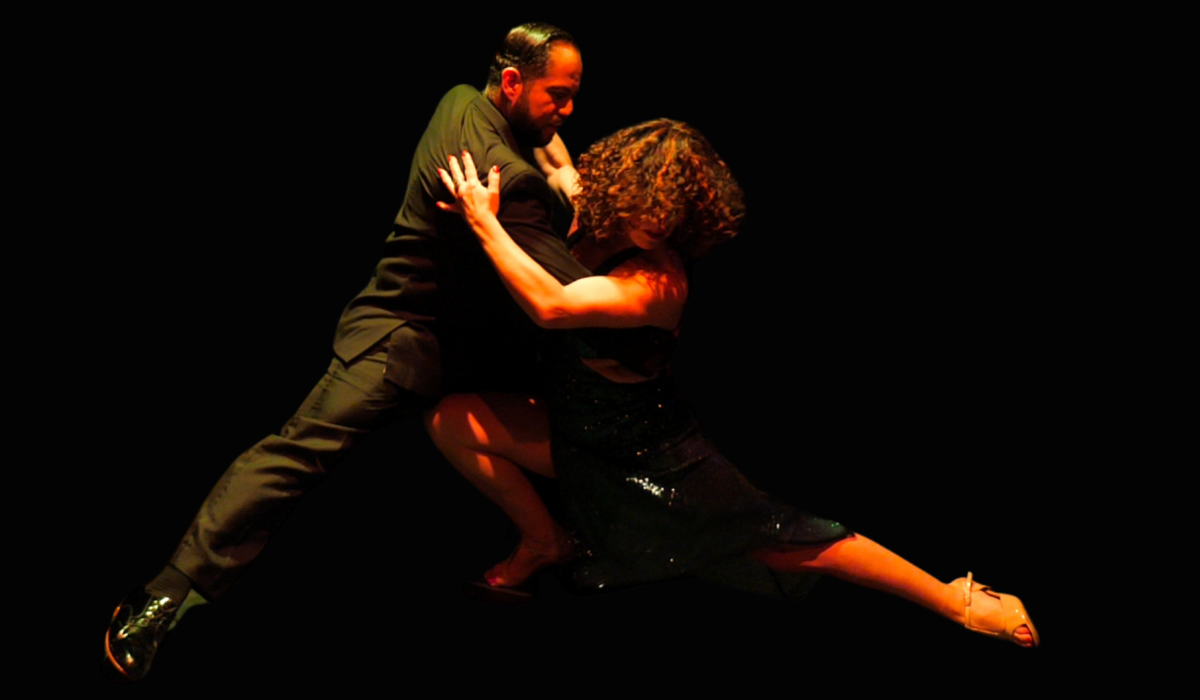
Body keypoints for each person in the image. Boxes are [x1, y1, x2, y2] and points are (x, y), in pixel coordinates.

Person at [103, 22, 593, 682]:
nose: (568, 110)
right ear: (512, 82)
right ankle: (163, 595)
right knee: (295, 454)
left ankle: (552, 541)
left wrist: (565, 168)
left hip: (475, 339)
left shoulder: (462, 98)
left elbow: (541, 144)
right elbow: (570, 290)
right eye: (558, 95)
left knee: (582, 414)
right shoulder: (499, 174)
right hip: (403, 340)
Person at [426, 120, 1039, 647]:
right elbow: (559, 161)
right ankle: (544, 542)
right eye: (651, 201)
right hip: (572, 427)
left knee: (779, 539)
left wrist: (483, 221)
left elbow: (550, 305)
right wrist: (523, 115)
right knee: (452, 420)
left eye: (676, 207)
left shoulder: (660, 281)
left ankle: (948, 599)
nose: (661, 220)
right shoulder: (593, 210)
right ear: (623, 188)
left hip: (644, 446)